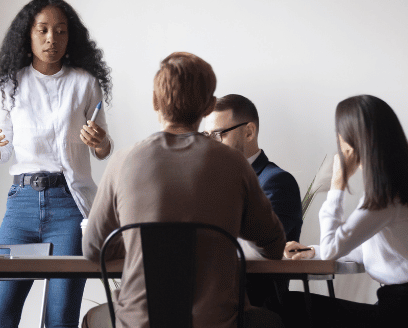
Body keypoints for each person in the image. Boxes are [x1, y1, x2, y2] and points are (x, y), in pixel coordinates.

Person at [82, 52, 285, 328]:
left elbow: (94, 248)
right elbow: (273, 244)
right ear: (209, 106)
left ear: (155, 101)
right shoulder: (234, 163)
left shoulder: (123, 161)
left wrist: (140, 244)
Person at [0, 0, 112, 328]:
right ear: (28, 35)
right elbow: (2, 150)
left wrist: (102, 143)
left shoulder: (85, 83)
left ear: (69, 37)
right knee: (0, 314)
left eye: (61, 31)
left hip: (68, 207)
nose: (52, 39)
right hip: (21, 205)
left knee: (61, 317)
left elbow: (102, 149)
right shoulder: (10, 84)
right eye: (43, 30)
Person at [280, 94, 408, 328]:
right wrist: (310, 251)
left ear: (353, 141)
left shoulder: (386, 194)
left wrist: (338, 182)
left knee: (292, 304)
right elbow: (371, 249)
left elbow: (331, 250)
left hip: (403, 312)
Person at [209, 94, 302, 308]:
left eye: (217, 135)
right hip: (211, 301)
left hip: (254, 303)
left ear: (249, 132)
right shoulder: (209, 185)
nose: (211, 145)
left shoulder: (277, 182)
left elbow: (264, 245)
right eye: (207, 136)